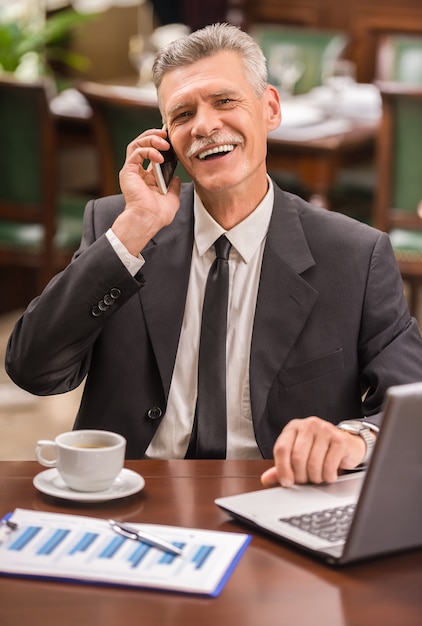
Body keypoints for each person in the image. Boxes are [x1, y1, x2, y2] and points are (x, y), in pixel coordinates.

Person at [5, 23, 422, 488]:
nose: (204, 125)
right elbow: (34, 372)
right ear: (166, 139)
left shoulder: (354, 255)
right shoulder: (118, 230)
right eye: (182, 114)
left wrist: (357, 438)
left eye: (224, 101)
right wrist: (131, 235)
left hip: (277, 495)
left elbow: (410, 405)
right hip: (131, 496)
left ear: (269, 109)